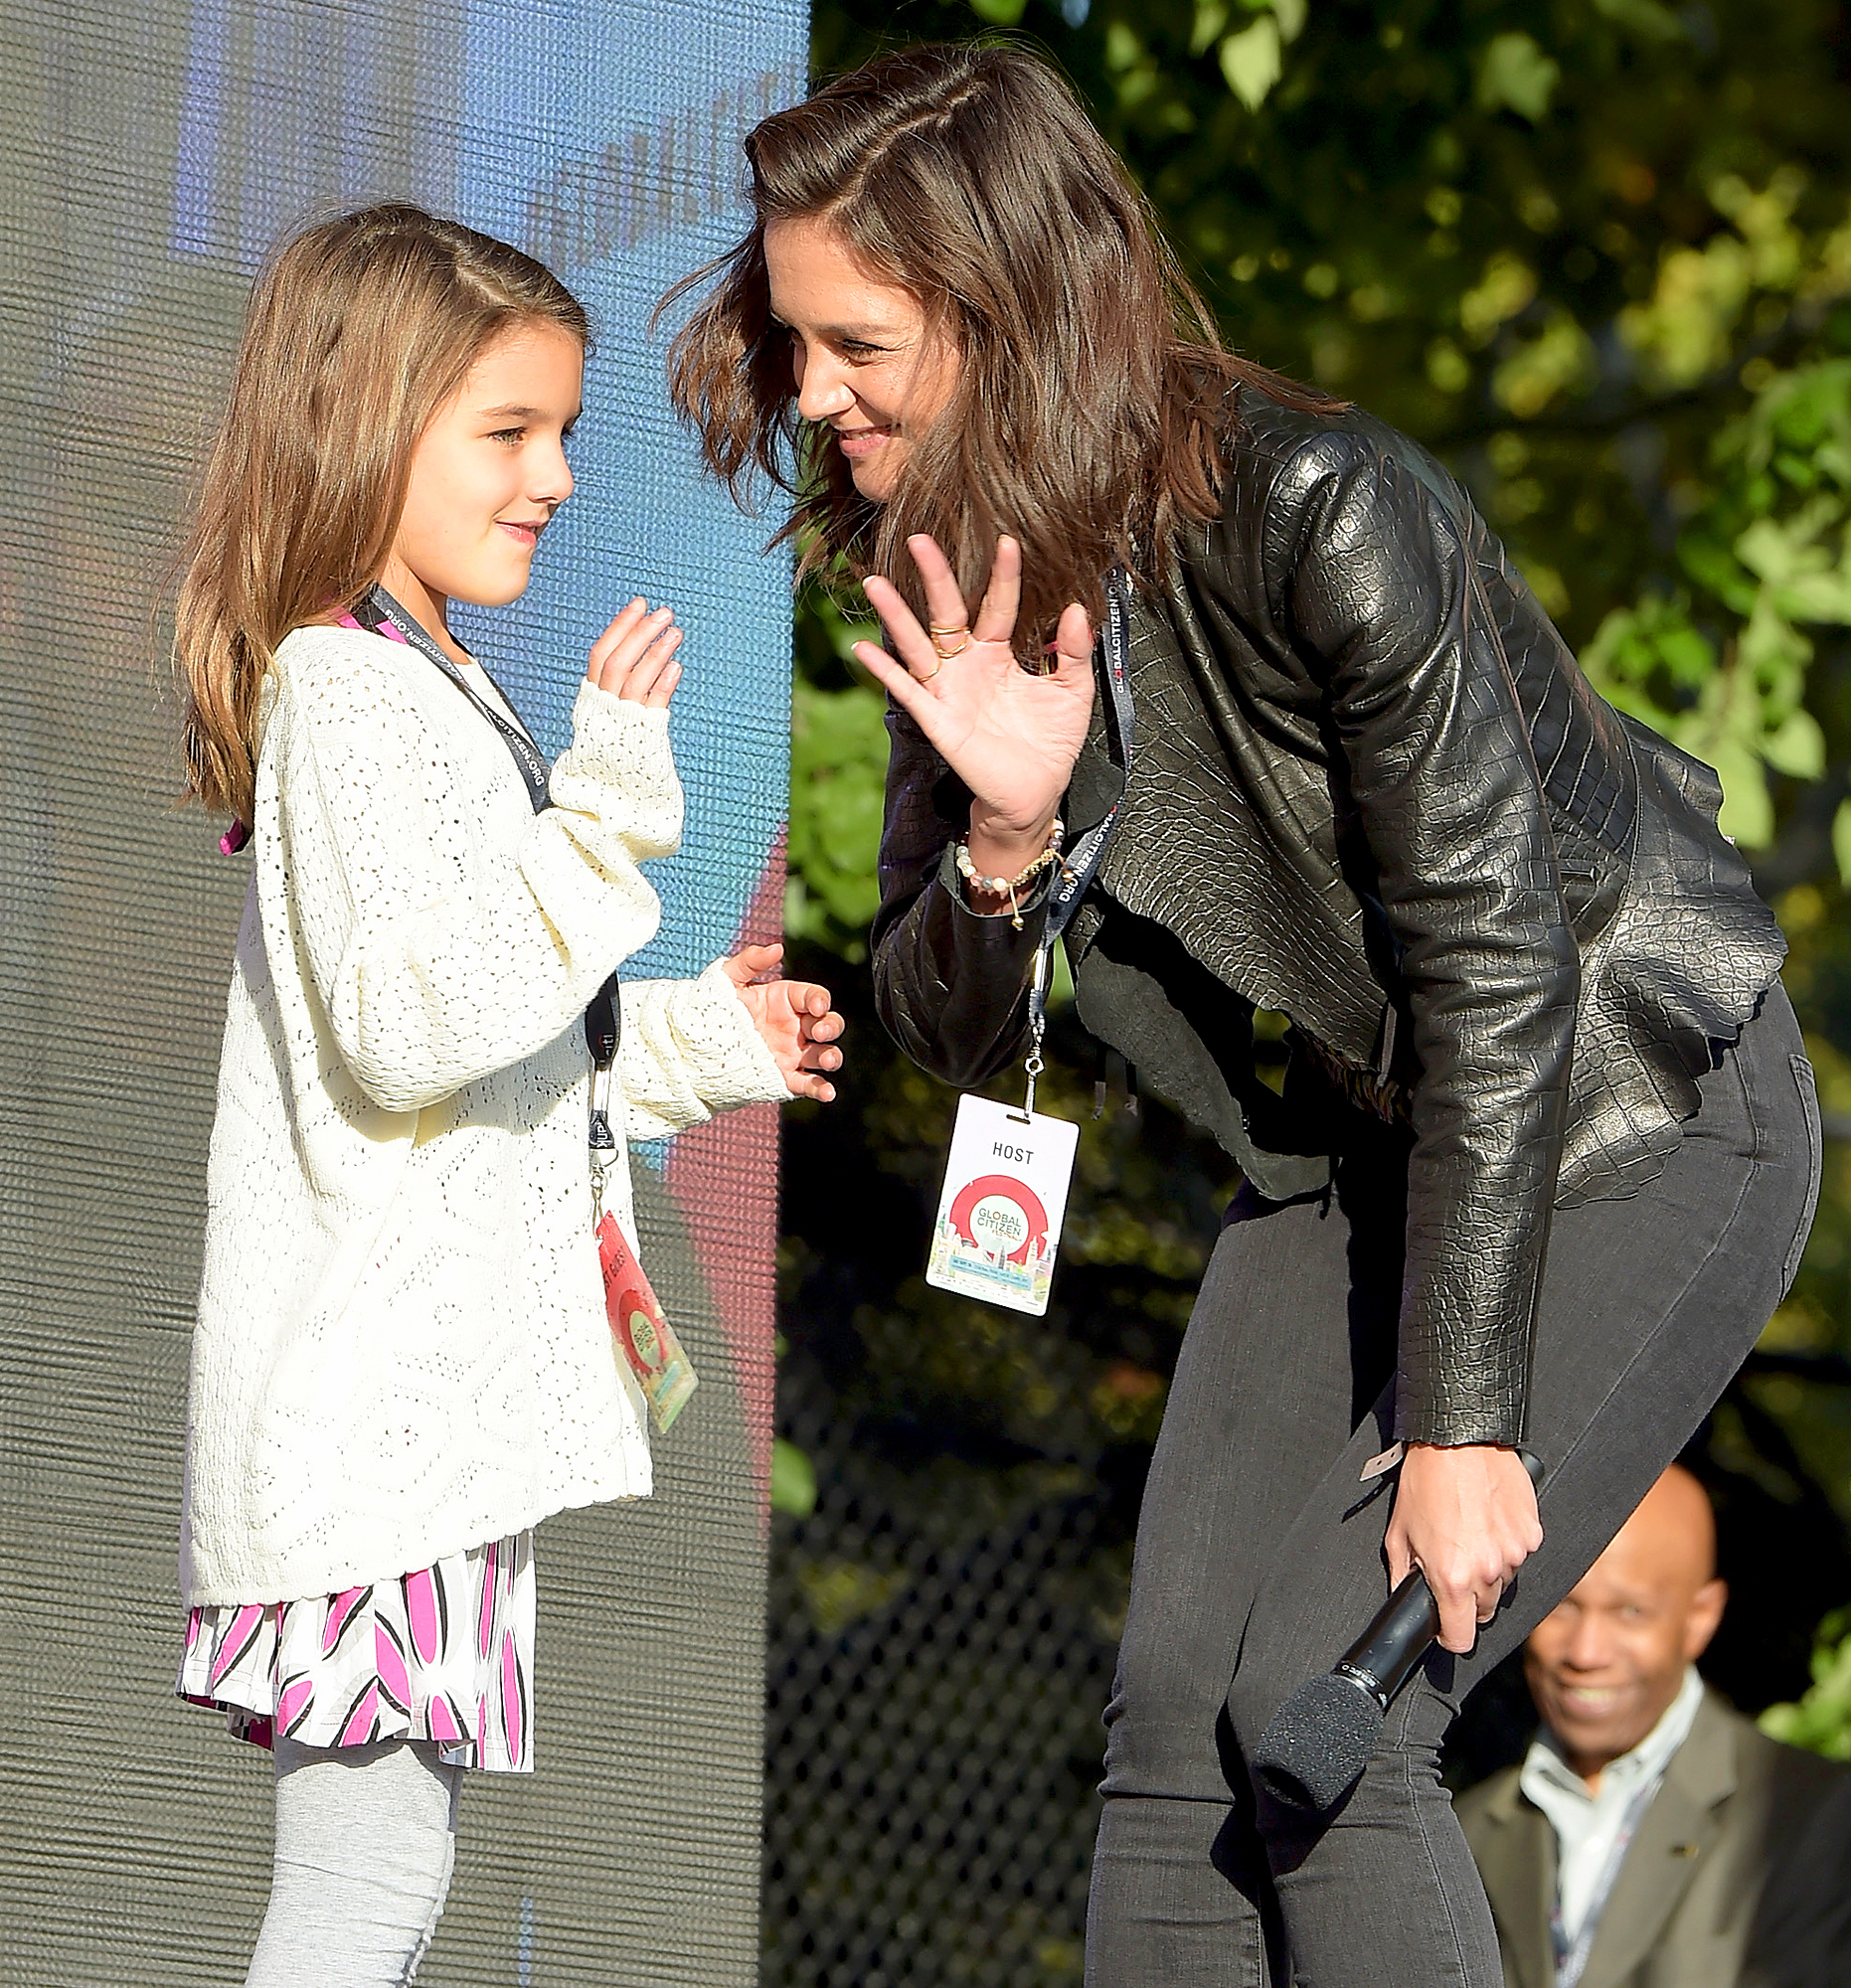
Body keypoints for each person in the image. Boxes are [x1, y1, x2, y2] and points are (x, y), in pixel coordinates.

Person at [668, 41, 1821, 1988]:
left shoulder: (1322, 504)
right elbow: (947, 1029)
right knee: (1172, 1726)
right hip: (1346, 1137)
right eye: (792, 340)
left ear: (1007, 312)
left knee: (1324, 1701)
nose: (814, 390)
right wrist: (1007, 839)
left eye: (856, 342)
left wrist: (1463, 1423)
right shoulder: (962, 551)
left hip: (1628, 1105)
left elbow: (1495, 965)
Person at [170, 204, 844, 1986]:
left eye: (562, 431)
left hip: (422, 1428)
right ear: (366, 427)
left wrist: (701, 1040)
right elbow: (412, 1025)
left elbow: (500, 1055)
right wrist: (606, 810)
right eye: (507, 431)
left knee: (389, 1864)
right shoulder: (348, 690)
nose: (553, 476)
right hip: (378, 1423)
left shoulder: (432, 687)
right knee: (368, 1872)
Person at [1458, 1465, 1851, 1988]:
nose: (1586, 1653)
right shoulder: (1462, 1833)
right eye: (1561, 1607)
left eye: (1630, 1612)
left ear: (1700, 1617)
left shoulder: (1812, 1817)